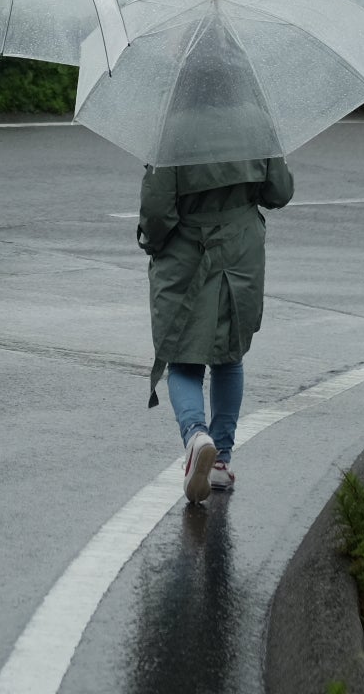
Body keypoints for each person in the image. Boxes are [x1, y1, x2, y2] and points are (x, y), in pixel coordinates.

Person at [137, 30, 294, 504]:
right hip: (242, 253)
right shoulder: (258, 120)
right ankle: (220, 460)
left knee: (182, 357)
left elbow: (158, 211)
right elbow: (279, 192)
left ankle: (195, 436)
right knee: (229, 355)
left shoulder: (171, 128)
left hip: (188, 254)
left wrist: (152, 242)